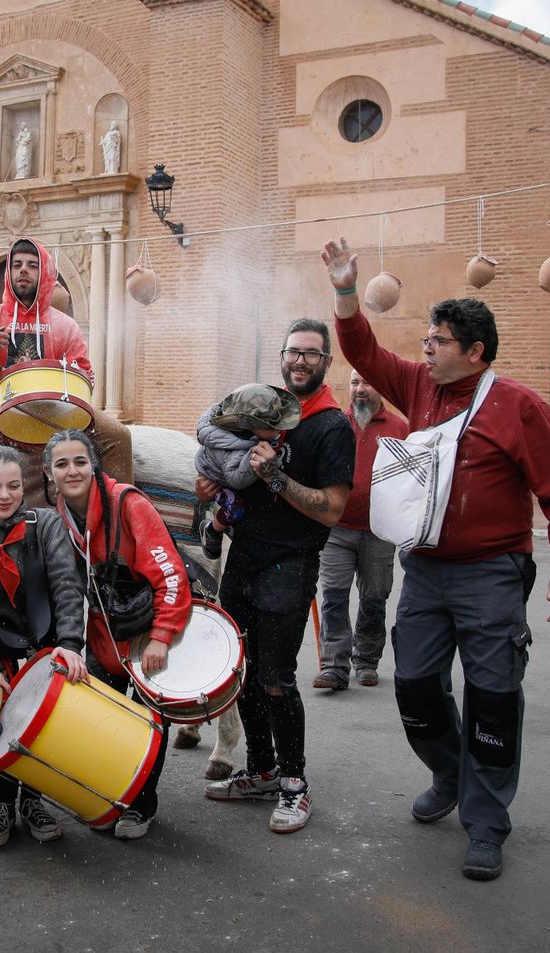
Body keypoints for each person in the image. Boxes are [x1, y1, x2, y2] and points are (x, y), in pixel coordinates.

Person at [324, 236, 550, 881]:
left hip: (493, 573)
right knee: (413, 686)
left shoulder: (520, 407)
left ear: (474, 351)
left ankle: (487, 820)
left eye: (439, 340)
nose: (426, 349)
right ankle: (452, 771)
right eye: (428, 339)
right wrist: (345, 290)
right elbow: (360, 350)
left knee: (493, 695)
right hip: (426, 571)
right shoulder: (418, 387)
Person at [197, 318, 354, 836]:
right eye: (293, 352)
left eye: (311, 353)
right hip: (245, 557)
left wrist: (276, 476)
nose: (300, 360)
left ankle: (294, 785)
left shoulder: (332, 427)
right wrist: (213, 487)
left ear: (326, 362)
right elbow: (228, 461)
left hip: (291, 563)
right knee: (241, 669)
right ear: (282, 358)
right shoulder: (265, 410)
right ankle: (261, 771)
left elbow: (330, 509)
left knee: (277, 680)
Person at [45, 429, 190, 839]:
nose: (72, 470)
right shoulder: (56, 514)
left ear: (94, 465)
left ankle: (143, 803)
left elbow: (169, 573)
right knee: (102, 720)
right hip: (102, 637)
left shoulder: (128, 502)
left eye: (79, 461)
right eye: (61, 463)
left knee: (148, 722)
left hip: (145, 635)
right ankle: (111, 794)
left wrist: (162, 635)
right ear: (49, 472)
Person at [0, 445, 88, 847]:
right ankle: (3, 802)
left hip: (47, 643)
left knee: (45, 725)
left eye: (12, 486)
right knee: (3, 722)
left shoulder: (45, 524)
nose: (4, 495)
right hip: (0, 647)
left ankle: (33, 800)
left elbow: (65, 585)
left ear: (24, 487)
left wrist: (71, 644)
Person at [0, 237, 132, 516]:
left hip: (55, 402)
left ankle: (122, 514)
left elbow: (86, 373)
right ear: (8, 272)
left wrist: (75, 375)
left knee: (118, 434)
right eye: (17, 264)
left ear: (44, 273)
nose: (24, 270)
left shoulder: (64, 324)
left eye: (32, 265)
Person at [314, 371, 410, 691]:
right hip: (336, 528)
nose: (360, 389)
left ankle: (366, 660)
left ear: (381, 387)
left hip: (380, 530)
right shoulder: (335, 424)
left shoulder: (400, 428)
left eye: (368, 382)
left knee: (374, 596)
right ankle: (334, 665)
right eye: (355, 383)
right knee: (334, 596)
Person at [193, 383, 301, 560]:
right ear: (248, 424)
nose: (278, 431)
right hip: (218, 479)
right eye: (270, 427)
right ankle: (213, 531)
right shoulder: (234, 448)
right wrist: (256, 459)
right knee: (235, 508)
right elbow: (235, 479)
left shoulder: (237, 429)